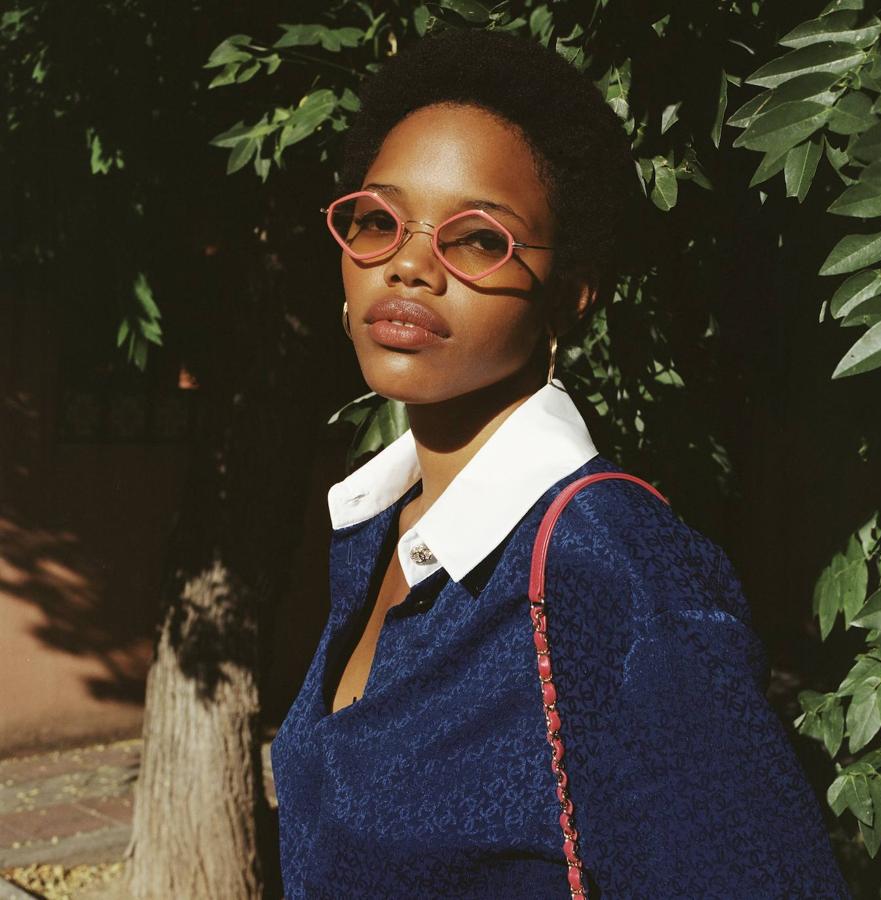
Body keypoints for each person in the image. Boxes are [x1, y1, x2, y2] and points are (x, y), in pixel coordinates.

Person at [270, 27, 850, 899]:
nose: (410, 265)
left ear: (570, 298)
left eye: (477, 240)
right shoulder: (376, 531)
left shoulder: (610, 564)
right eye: (379, 221)